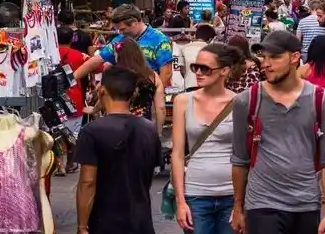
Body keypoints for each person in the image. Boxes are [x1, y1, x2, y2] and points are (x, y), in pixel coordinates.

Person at [230, 30, 325, 234]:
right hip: (262, 204)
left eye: (275, 57)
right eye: (264, 57)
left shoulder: (322, 100)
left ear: (295, 58)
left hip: (306, 204)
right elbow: (239, 159)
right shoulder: (246, 100)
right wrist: (238, 208)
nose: (266, 63)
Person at [75, 67, 161, 234]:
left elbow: (87, 182)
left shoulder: (92, 131)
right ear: (133, 93)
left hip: (104, 222)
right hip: (141, 220)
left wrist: (82, 226)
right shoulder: (150, 129)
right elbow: (148, 176)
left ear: (102, 91)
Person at [171, 44, 237, 234]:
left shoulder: (240, 102)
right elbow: (177, 154)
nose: (198, 73)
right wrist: (180, 201)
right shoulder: (183, 101)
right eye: (195, 67)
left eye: (205, 68)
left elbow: (245, 155)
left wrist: (242, 202)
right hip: (196, 194)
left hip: (231, 195)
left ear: (224, 71)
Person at [73, 4, 173, 86]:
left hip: (148, 97)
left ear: (134, 22)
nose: (120, 32)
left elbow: (166, 73)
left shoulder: (159, 40)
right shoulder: (120, 40)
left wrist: (156, 97)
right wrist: (71, 79)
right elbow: (96, 60)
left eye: (123, 29)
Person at [56, 25, 88, 175]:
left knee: (55, 132)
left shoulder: (49, 54)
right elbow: (98, 68)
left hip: (53, 98)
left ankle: (59, 164)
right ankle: (70, 163)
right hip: (74, 98)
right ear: (72, 38)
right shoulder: (79, 55)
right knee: (73, 134)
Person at [178, 24, 215, 91]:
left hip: (189, 86)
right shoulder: (211, 50)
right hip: (206, 87)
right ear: (210, 39)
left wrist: (189, 78)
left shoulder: (183, 48)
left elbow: (182, 71)